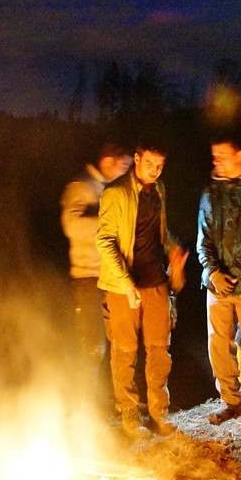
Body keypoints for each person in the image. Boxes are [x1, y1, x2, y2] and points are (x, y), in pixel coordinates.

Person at [96, 140, 187, 440]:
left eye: (160, 165)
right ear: (136, 159)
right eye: (150, 164)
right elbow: (105, 240)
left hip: (155, 281)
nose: (156, 171)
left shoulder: (158, 190)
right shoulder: (115, 193)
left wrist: (173, 249)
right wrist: (125, 281)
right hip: (123, 285)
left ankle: (159, 411)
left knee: (159, 349)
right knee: (124, 350)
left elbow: (158, 233)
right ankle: (130, 413)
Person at [197, 135, 241, 430]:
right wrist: (213, 272)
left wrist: (236, 273)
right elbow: (203, 238)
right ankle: (231, 401)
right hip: (217, 286)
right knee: (218, 345)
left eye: (223, 155)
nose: (217, 161)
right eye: (215, 156)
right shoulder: (210, 192)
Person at [60, 143, 131, 370]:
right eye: (124, 165)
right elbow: (71, 225)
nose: (126, 171)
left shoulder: (112, 187)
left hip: (112, 277)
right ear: (108, 161)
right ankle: (83, 399)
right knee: (91, 344)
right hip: (88, 276)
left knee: (115, 342)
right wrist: (109, 223)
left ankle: (108, 396)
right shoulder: (81, 186)